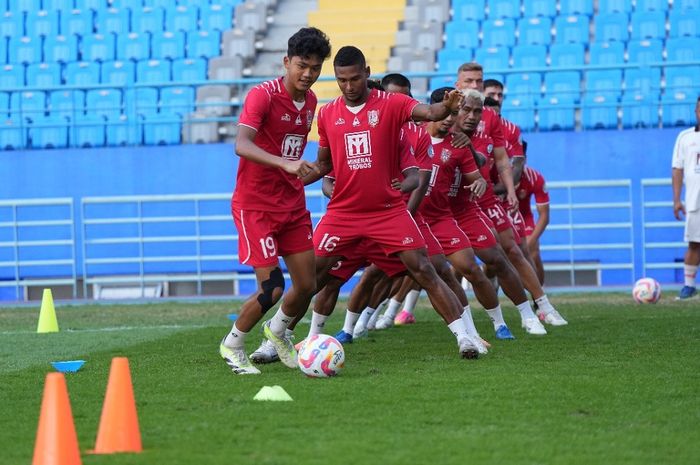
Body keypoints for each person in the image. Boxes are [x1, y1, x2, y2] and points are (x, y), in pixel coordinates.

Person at [303, 46, 481, 359]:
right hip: (345, 216)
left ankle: (464, 337)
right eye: (341, 80)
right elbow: (325, 167)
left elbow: (419, 163)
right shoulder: (329, 114)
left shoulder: (396, 118)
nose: (348, 86)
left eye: (354, 79)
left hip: (388, 215)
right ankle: (287, 335)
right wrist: (317, 182)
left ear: (367, 74)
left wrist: (445, 108)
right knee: (316, 277)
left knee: (426, 270)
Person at [219, 27, 331, 375]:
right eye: (302, 65)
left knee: (308, 284)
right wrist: (285, 164)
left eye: (315, 67)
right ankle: (233, 345)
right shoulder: (262, 96)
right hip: (256, 206)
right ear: (286, 62)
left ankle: (278, 331)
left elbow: (295, 154)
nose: (308, 74)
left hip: (292, 205)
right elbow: (242, 144)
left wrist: (307, 170)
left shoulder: (311, 102)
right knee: (272, 288)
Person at [456, 63, 567, 328]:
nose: (474, 86)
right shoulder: (445, 111)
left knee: (514, 250)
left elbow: (502, 158)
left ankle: (542, 308)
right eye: (469, 81)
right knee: (446, 263)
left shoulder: (492, 119)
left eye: (478, 82)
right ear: (458, 84)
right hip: (453, 199)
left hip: (485, 197)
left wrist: (510, 190)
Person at [672, 97, 700, 300]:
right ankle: (689, 286)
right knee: (694, 244)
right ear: (696, 111)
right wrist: (676, 200)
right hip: (694, 201)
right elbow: (677, 169)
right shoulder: (685, 137)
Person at [516, 141, 550, 285]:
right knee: (491, 261)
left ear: (524, 158)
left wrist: (532, 240)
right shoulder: (495, 176)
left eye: (518, 158)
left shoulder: (535, 178)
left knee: (534, 252)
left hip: (523, 219)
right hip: (499, 219)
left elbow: (544, 215)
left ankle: (540, 302)